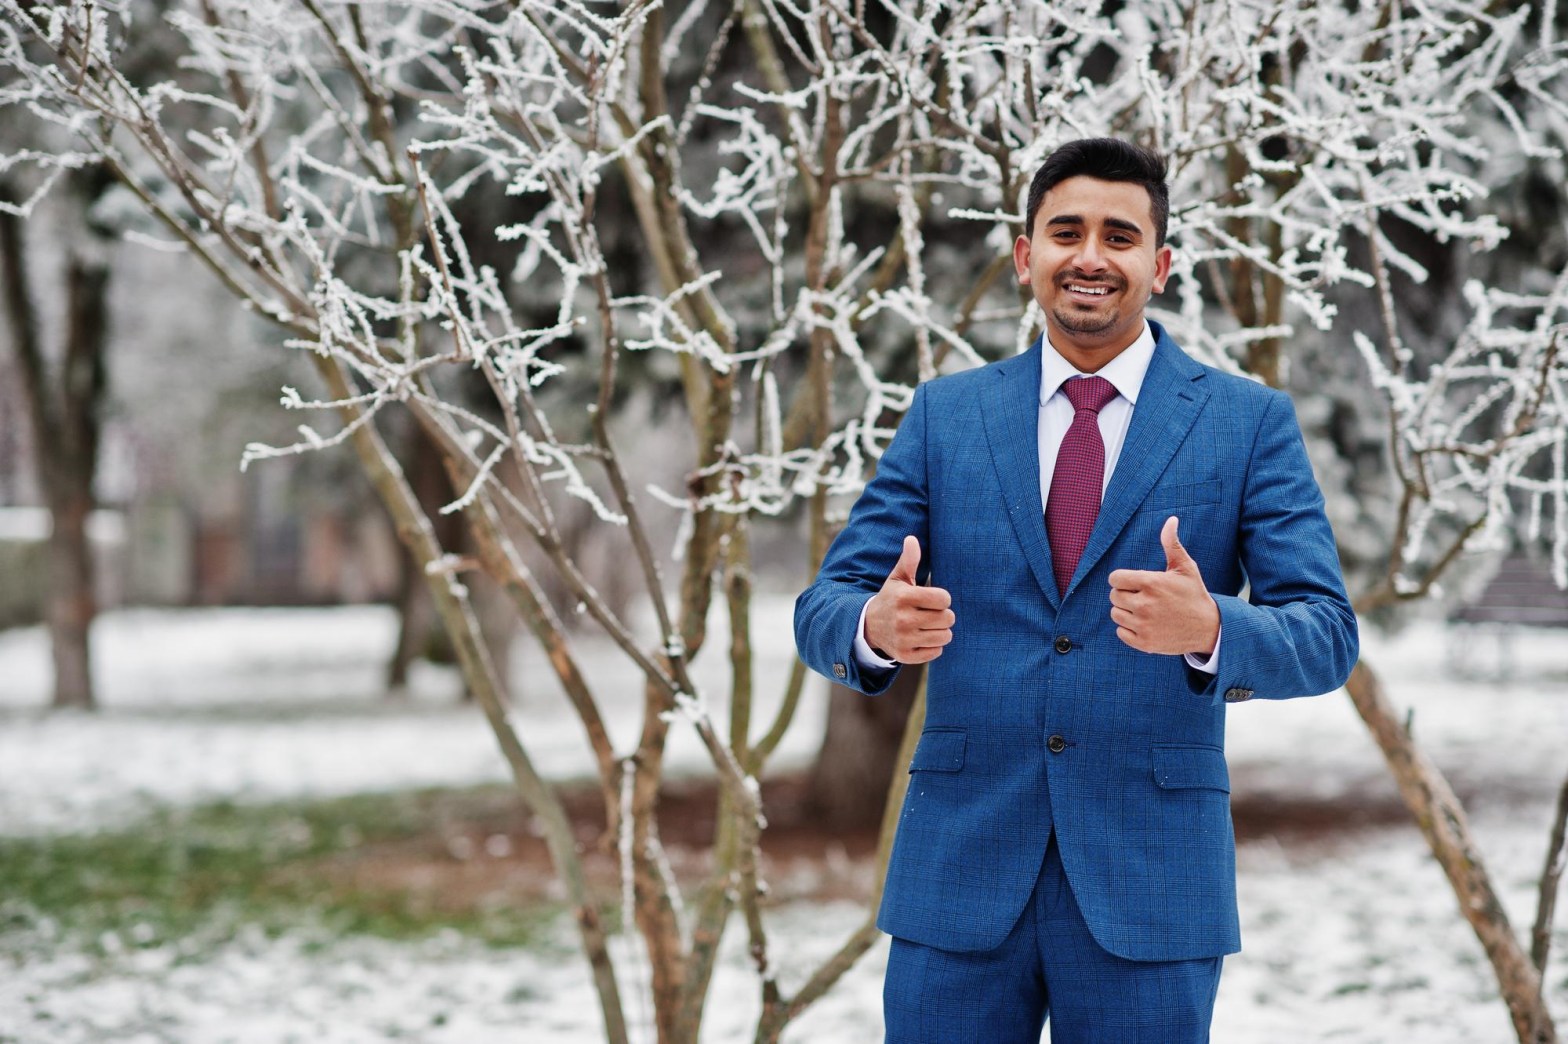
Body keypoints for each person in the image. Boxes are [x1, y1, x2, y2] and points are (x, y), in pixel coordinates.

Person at [792, 138, 1358, 1042]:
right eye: (1065, 232)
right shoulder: (947, 415)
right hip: (959, 875)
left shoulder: (1248, 424)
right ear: (1026, 257)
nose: (1090, 256)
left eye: (1120, 236)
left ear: (1160, 265)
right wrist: (871, 623)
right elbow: (825, 606)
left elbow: (1327, 634)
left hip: (1152, 881)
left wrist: (1213, 625)